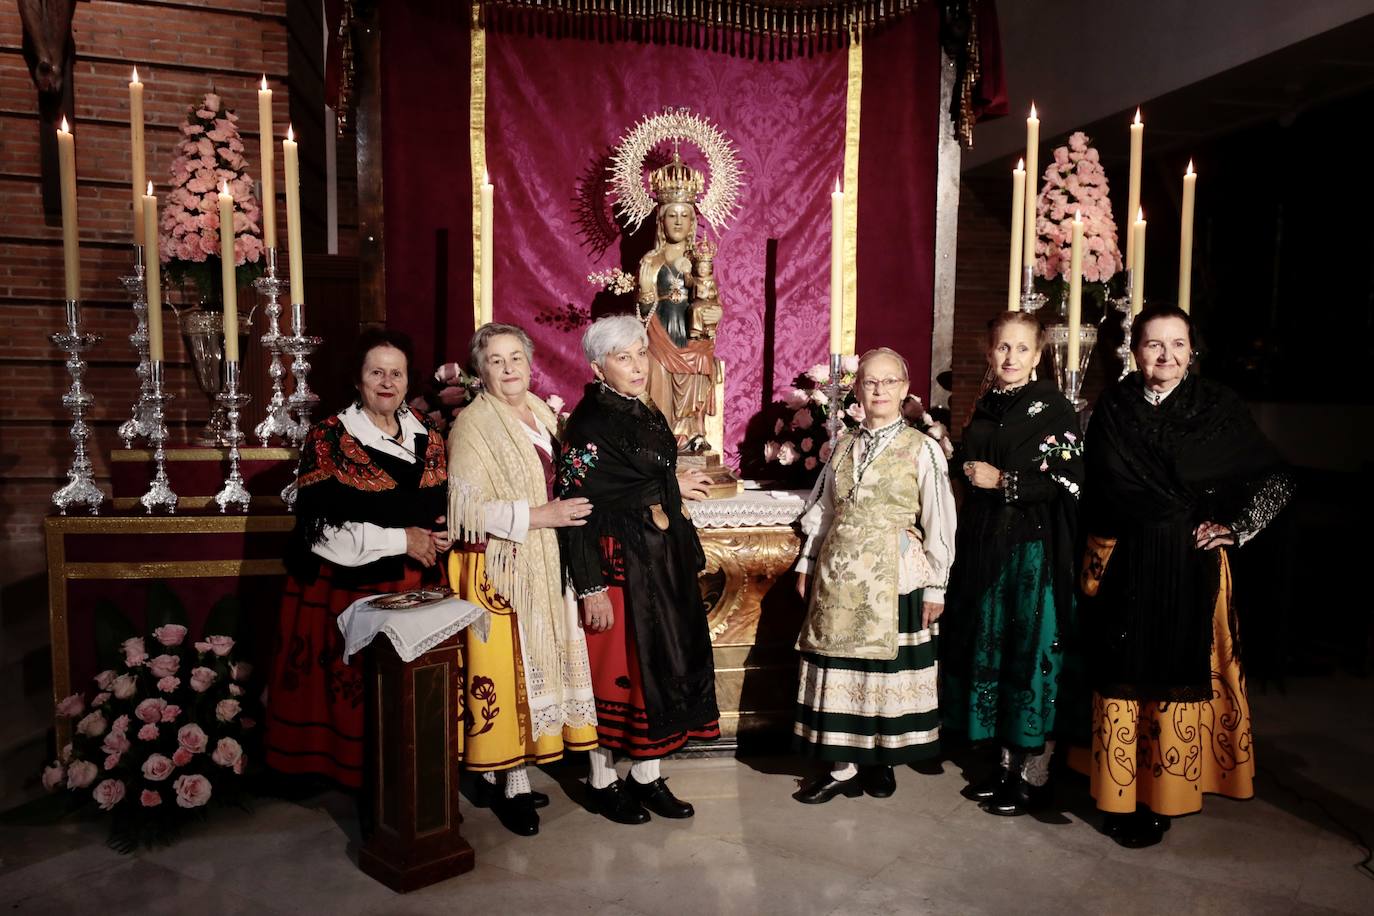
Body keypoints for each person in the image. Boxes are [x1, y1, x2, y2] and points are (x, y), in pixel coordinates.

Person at [1079, 304, 1293, 848]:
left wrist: (1239, 527)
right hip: (1127, 562)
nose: (1166, 356)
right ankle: (1120, 795)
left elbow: (1274, 476)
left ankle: (1166, 795)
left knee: (1177, 670)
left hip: (1190, 564)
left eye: (1177, 344)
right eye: (1154, 345)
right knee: (1125, 671)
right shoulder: (1114, 406)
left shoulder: (1217, 405)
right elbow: (1099, 484)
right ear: (1135, 352)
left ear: (1192, 350)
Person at [265, 328, 450, 788]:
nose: (387, 382)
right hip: (347, 589)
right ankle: (362, 788)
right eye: (376, 372)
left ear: (409, 382)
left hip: (415, 588)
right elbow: (322, 534)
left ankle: (407, 784)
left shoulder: (428, 436)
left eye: (396, 373)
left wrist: (439, 535)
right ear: (358, 380)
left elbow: (433, 509)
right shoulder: (328, 437)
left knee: (407, 703)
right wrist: (402, 541)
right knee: (358, 700)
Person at [557, 314, 719, 825]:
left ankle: (646, 776)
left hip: (657, 558)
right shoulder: (589, 422)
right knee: (621, 674)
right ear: (597, 366)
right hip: (618, 562)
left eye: (640, 354)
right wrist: (591, 587)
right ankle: (602, 781)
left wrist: (673, 484)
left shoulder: (639, 408)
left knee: (662, 670)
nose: (637, 366)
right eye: (622, 358)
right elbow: (575, 507)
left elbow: (645, 474)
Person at [445, 323, 599, 836]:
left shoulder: (540, 411)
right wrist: (540, 516)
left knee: (537, 665)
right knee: (508, 673)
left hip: (549, 560)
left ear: (530, 363)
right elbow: (465, 510)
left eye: (516, 358)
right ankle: (509, 782)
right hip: (501, 568)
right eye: (496, 360)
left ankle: (515, 773)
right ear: (480, 370)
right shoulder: (472, 423)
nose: (509, 368)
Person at [792, 347, 957, 803]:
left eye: (889, 382)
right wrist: (807, 561)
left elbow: (940, 519)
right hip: (840, 577)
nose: (879, 389)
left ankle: (880, 760)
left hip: (895, 574)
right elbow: (824, 511)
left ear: (905, 390)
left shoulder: (922, 448)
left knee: (883, 672)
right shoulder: (843, 445)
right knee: (843, 668)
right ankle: (843, 767)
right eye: (870, 382)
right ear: (858, 390)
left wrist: (936, 585)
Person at [941, 312, 1084, 816]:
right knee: (996, 653)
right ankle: (1004, 766)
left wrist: (1005, 482)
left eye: (1022, 349)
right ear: (989, 350)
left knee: (1030, 654)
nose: (1011, 358)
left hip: (1032, 551)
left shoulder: (1054, 408)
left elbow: (1071, 480)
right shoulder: (985, 405)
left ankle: (1035, 775)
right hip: (986, 547)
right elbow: (972, 461)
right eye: (1003, 347)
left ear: (1039, 354)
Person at [636, 154, 722, 447]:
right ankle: (662, 438)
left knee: (701, 362)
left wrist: (714, 315)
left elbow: (711, 298)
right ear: (661, 221)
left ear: (693, 221)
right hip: (660, 334)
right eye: (672, 215)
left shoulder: (701, 260)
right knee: (657, 373)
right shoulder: (651, 260)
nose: (678, 221)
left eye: (684, 215)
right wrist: (646, 295)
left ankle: (692, 434)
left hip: (691, 336)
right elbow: (643, 310)